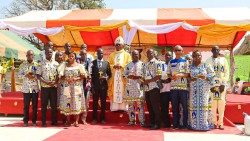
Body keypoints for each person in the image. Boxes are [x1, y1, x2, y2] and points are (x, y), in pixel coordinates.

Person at [58, 51, 87, 127]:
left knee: (76, 103)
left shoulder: (79, 66)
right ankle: (68, 121)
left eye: (72, 56)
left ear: (75, 57)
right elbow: (61, 75)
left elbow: (83, 76)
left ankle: (76, 121)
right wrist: (66, 78)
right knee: (68, 103)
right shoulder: (64, 65)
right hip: (67, 87)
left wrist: (75, 78)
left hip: (76, 87)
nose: (71, 57)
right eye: (69, 56)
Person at [189, 50, 214, 131]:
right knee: (194, 107)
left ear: (201, 56)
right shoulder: (190, 66)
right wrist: (191, 79)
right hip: (193, 91)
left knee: (204, 106)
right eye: (195, 56)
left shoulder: (206, 64)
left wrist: (205, 77)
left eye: (199, 55)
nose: (197, 57)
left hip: (204, 90)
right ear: (193, 57)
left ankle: (204, 125)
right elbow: (187, 76)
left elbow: (212, 74)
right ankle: (194, 125)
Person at [206, 46, 229, 130]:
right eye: (214, 49)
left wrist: (223, 84)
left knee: (221, 105)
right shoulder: (208, 61)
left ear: (219, 50)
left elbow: (226, 72)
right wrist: (211, 85)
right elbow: (207, 73)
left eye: (217, 49)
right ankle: (214, 122)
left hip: (221, 85)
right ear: (211, 51)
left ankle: (221, 123)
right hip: (212, 86)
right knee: (213, 104)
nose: (216, 51)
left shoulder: (224, 60)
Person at [167, 45, 190, 129]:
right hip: (173, 88)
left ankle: (184, 124)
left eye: (179, 50)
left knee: (184, 107)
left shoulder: (186, 62)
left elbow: (188, 74)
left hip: (183, 88)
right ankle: (175, 124)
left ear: (182, 51)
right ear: (174, 51)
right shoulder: (171, 61)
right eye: (176, 50)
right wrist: (171, 77)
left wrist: (180, 75)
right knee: (175, 107)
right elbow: (168, 73)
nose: (177, 52)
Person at [108, 36, 132, 111]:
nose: (117, 46)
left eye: (119, 44)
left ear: (123, 45)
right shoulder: (112, 55)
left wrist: (122, 66)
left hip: (122, 77)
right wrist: (114, 66)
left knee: (123, 90)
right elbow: (108, 65)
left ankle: (123, 107)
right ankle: (115, 107)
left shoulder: (127, 55)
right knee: (115, 90)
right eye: (116, 44)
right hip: (114, 76)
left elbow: (129, 65)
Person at [37, 48, 59, 127]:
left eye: (50, 52)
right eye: (48, 52)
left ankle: (54, 121)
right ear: (45, 53)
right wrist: (46, 82)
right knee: (44, 105)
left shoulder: (56, 64)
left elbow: (58, 75)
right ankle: (43, 122)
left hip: (53, 87)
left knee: (54, 105)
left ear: (52, 53)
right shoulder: (41, 63)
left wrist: (55, 82)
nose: (49, 53)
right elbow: (38, 75)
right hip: (45, 87)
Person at [89, 48, 112, 124]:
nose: (100, 55)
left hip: (103, 86)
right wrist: (91, 85)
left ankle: (103, 119)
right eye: (99, 53)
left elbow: (109, 74)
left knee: (103, 103)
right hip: (95, 86)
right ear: (96, 54)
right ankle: (94, 119)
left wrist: (106, 78)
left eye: (102, 53)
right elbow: (90, 74)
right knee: (95, 103)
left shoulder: (106, 63)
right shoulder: (93, 63)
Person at [18, 50, 39, 127]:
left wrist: (34, 76)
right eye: (29, 55)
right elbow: (19, 76)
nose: (30, 56)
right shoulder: (22, 65)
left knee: (34, 106)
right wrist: (26, 75)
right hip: (26, 88)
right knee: (26, 106)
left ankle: (34, 121)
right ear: (26, 56)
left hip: (34, 88)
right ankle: (25, 121)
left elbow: (40, 75)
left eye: (32, 55)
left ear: (33, 56)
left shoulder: (37, 65)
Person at [124, 50, 145, 126]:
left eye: (136, 54)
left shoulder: (143, 64)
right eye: (133, 54)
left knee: (140, 105)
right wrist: (130, 76)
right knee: (130, 105)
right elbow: (124, 75)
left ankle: (142, 121)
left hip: (139, 87)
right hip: (130, 87)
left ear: (139, 55)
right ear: (131, 55)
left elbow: (145, 75)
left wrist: (139, 77)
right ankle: (132, 120)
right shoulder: (128, 65)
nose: (135, 56)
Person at [143, 49, 162, 130]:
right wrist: (144, 81)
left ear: (154, 54)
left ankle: (158, 124)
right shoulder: (145, 64)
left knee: (155, 107)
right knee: (150, 107)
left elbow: (159, 76)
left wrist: (149, 81)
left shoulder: (157, 63)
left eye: (150, 52)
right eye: (147, 53)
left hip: (154, 87)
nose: (149, 54)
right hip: (147, 88)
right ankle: (152, 123)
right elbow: (144, 75)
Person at [78, 49, 92, 124]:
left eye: (85, 54)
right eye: (82, 54)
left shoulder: (89, 63)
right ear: (80, 55)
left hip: (87, 85)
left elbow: (91, 74)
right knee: (78, 102)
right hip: (78, 85)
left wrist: (88, 77)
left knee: (86, 102)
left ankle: (84, 118)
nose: (83, 56)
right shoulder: (77, 63)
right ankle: (76, 119)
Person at [159, 51, 172, 128]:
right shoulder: (161, 65)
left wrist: (171, 79)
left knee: (175, 107)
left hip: (173, 89)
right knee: (164, 107)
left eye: (169, 55)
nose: (168, 57)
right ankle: (166, 123)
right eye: (166, 55)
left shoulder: (174, 65)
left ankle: (175, 122)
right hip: (164, 90)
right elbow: (158, 76)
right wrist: (164, 81)